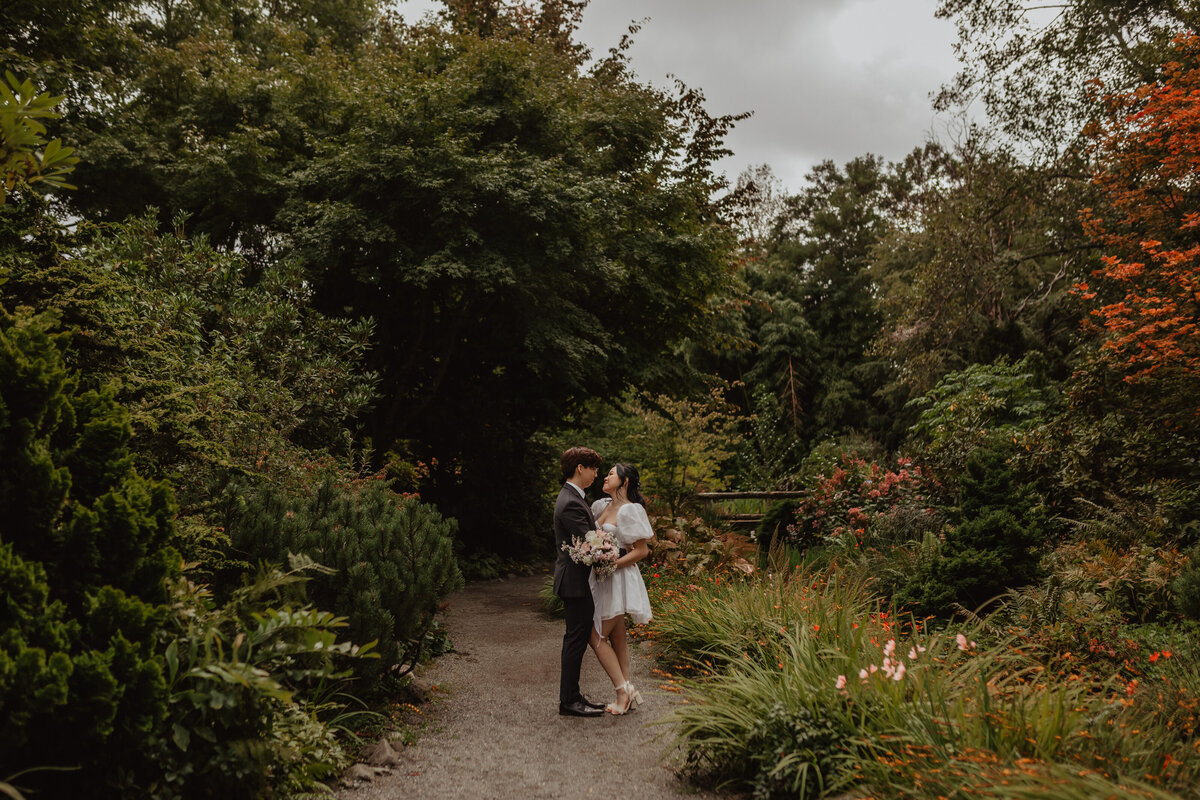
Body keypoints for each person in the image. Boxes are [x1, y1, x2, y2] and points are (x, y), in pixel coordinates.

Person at [588, 463, 653, 715]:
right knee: (617, 638)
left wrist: (611, 564)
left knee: (596, 636)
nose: (605, 477)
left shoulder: (630, 510)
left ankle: (621, 691)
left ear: (624, 481)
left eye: (611, 474)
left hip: (618, 578)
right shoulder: (600, 506)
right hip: (601, 579)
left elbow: (641, 551)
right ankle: (628, 691)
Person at [552, 446, 607, 717]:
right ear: (580, 468)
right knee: (575, 640)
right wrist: (613, 552)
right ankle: (569, 701)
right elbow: (591, 542)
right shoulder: (572, 501)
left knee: (576, 638)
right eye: (593, 468)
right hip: (574, 583)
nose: (597, 473)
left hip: (576, 581)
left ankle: (573, 696)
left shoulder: (574, 497)